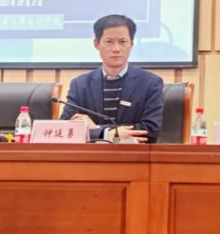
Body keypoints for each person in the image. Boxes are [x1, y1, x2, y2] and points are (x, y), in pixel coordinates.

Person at [61, 14, 164, 143]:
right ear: (96, 44)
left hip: (133, 153)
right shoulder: (80, 84)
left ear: (131, 44)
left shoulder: (150, 83)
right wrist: (108, 133)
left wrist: (98, 130)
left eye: (122, 42)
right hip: (91, 154)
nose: (116, 49)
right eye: (109, 42)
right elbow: (66, 129)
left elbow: (150, 131)